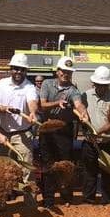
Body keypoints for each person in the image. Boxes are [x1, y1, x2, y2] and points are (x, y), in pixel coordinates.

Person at [38, 56, 88, 208]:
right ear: (57, 71)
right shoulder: (47, 84)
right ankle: (49, 200)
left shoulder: (73, 90)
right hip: (47, 130)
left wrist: (84, 112)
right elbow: (42, 105)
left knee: (65, 164)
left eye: (69, 72)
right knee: (48, 165)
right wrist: (57, 102)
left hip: (64, 132)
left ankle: (67, 197)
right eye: (63, 71)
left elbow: (78, 104)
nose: (66, 74)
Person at [0, 53, 39, 182]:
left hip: (22, 135)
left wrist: (32, 113)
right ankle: (3, 199)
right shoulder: (2, 84)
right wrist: (4, 108)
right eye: (16, 68)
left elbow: (32, 102)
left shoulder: (30, 87)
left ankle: (29, 202)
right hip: (3, 134)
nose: (19, 72)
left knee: (27, 170)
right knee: (3, 169)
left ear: (26, 71)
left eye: (22, 69)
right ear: (11, 69)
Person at [79, 66, 110, 204]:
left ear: (108, 84)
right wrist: (82, 116)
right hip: (90, 142)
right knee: (89, 171)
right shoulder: (85, 95)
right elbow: (79, 109)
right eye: (99, 84)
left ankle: (106, 201)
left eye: (104, 85)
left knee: (107, 172)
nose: (101, 87)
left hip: (107, 143)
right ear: (94, 83)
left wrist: (98, 132)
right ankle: (88, 199)